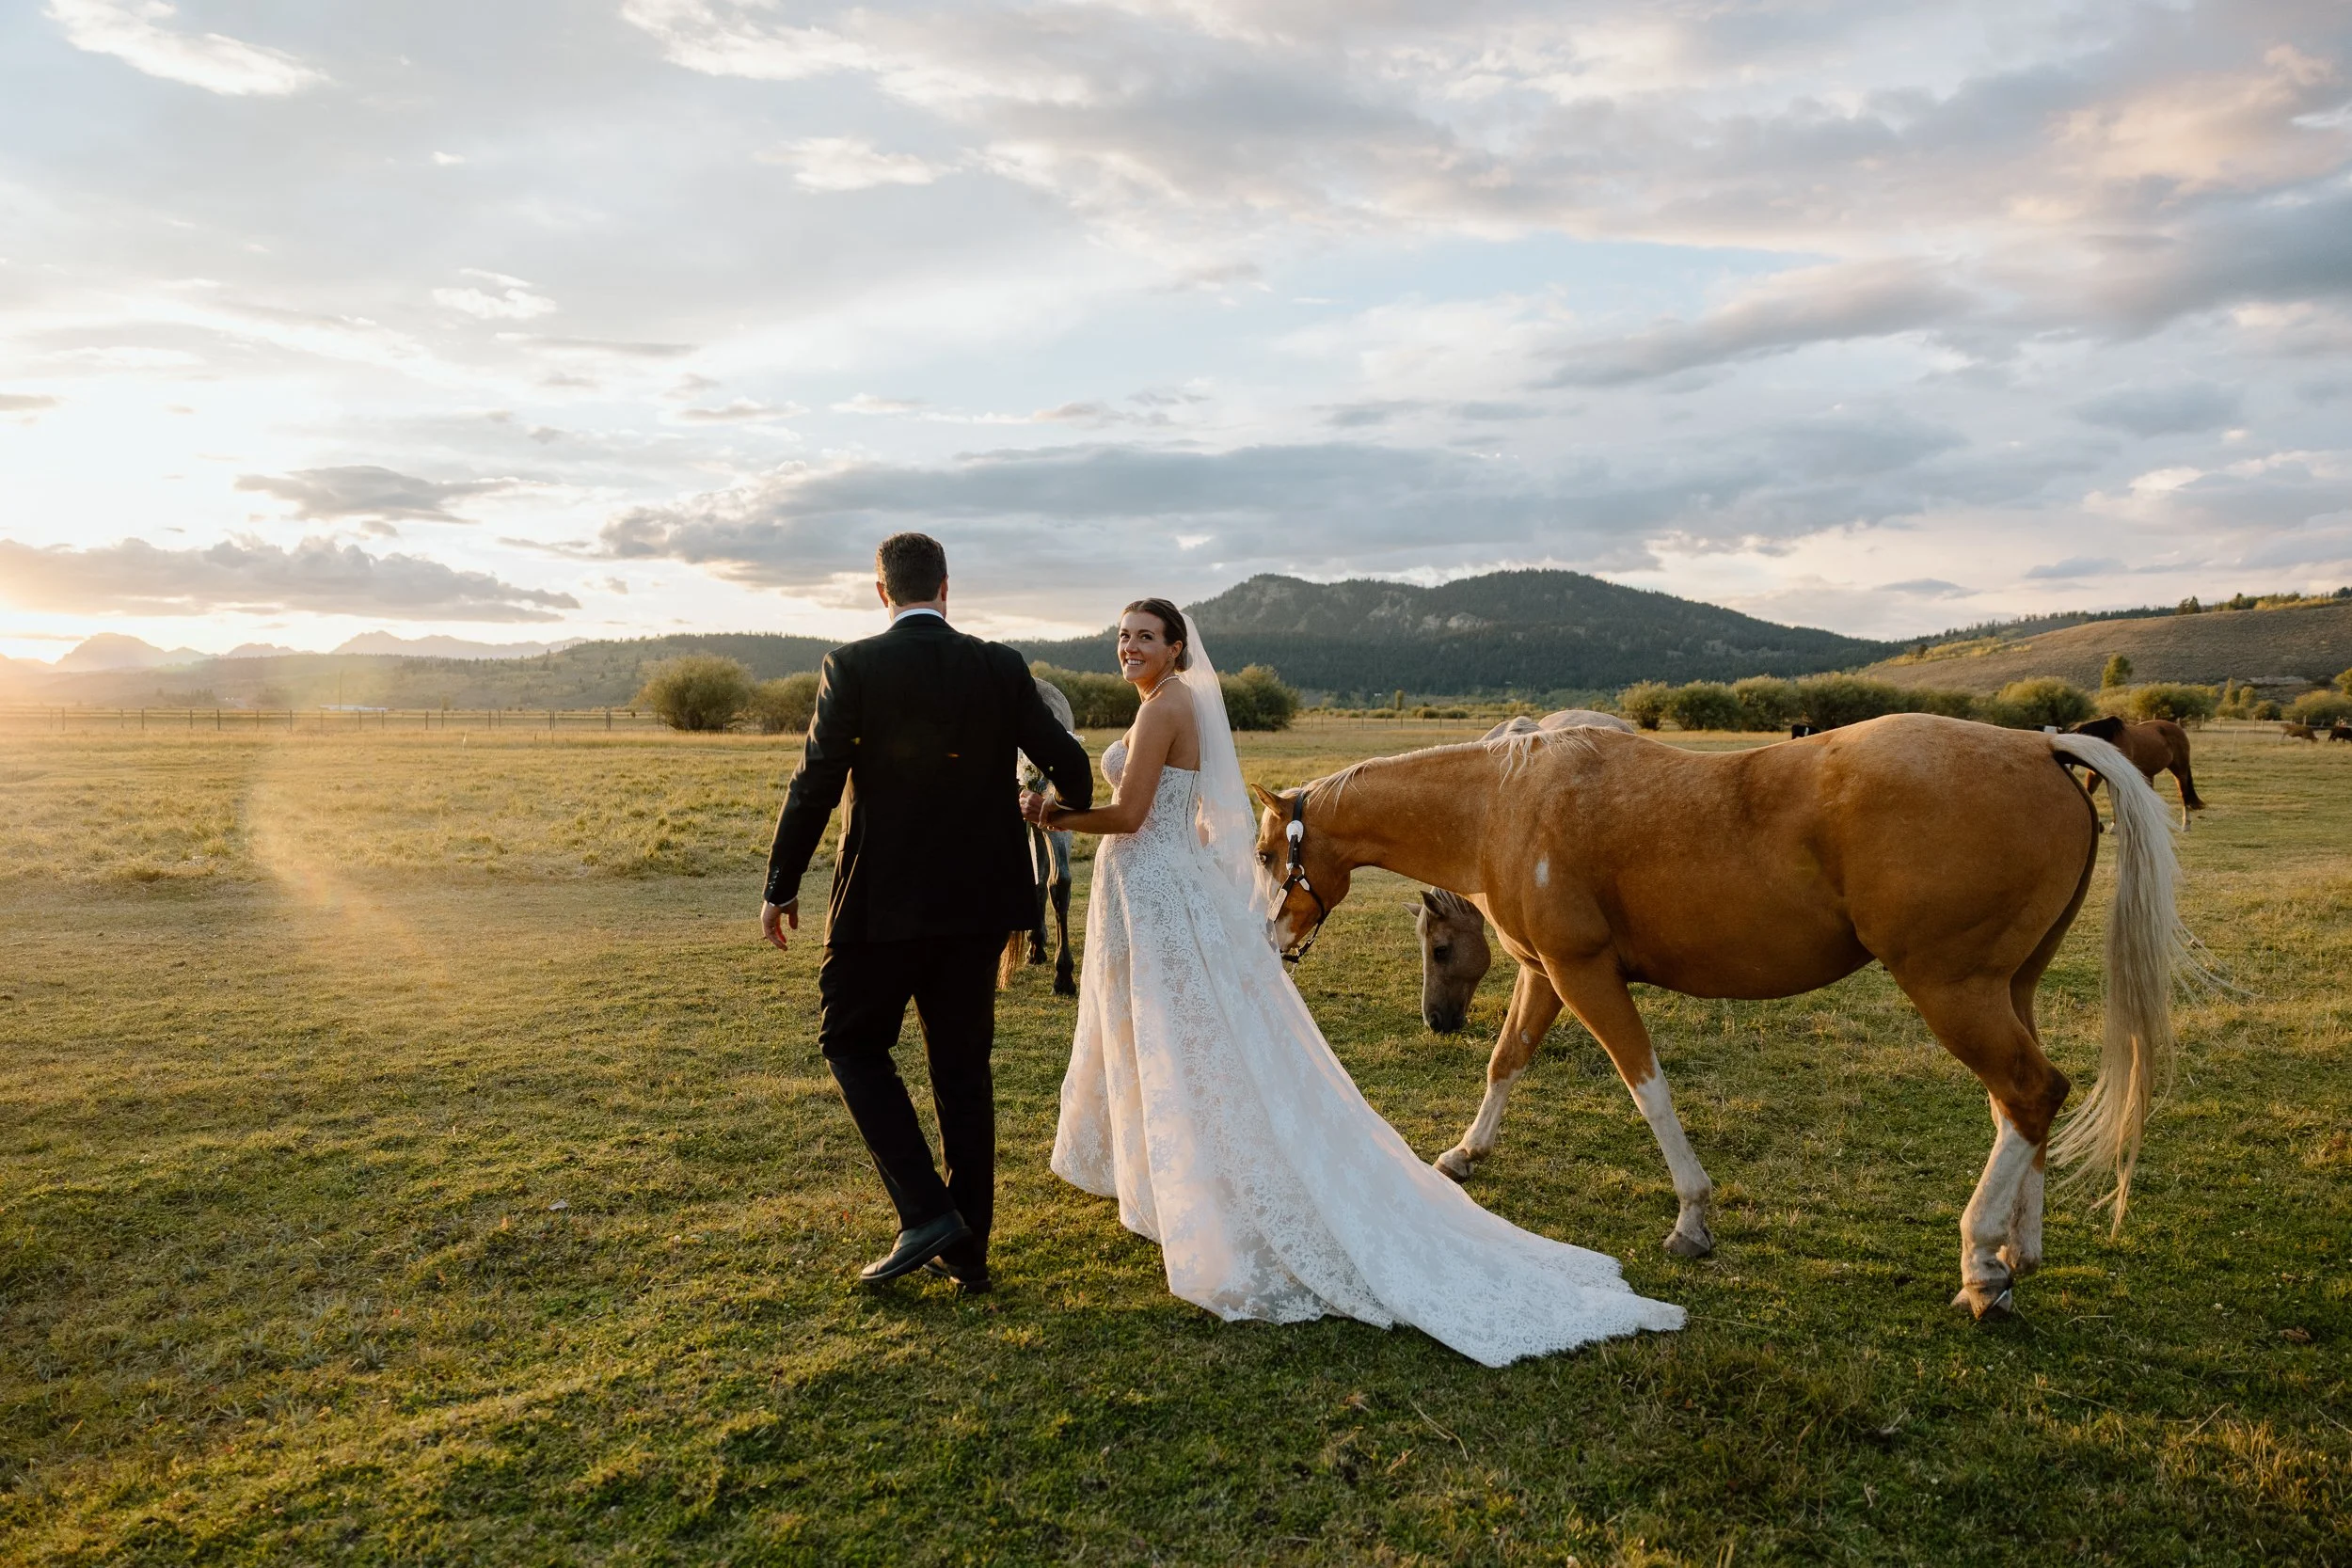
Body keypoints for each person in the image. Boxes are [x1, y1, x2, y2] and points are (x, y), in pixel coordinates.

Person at [1023, 599, 1684, 1365]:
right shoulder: (1175, 704)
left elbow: (1133, 812)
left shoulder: (1167, 706)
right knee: (1173, 1034)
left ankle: (1206, 1189)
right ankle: (1174, 1179)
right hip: (1158, 887)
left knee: (1178, 1035)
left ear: (1176, 649)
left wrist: (1054, 816)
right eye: (1123, 636)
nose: (1129, 646)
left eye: (1145, 636)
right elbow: (1200, 819)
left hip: (1154, 883)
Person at [763, 533, 1094, 1293]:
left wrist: (781, 885)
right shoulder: (1000, 665)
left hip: (879, 905)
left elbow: (814, 783)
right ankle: (967, 1249)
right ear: (947, 587)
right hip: (980, 907)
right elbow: (1072, 768)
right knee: (962, 1072)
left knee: (849, 1040)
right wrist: (1052, 806)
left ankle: (925, 1210)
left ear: (882, 592)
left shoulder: (852, 666)